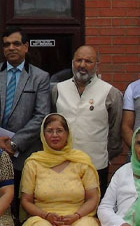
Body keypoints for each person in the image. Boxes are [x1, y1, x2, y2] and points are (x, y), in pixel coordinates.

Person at [0, 26, 51, 186]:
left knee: (22, 197)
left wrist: (14, 143)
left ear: (26, 47)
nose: (11, 48)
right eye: (7, 44)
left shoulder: (40, 77)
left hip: (25, 154)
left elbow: (41, 115)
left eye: (16, 44)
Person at [52, 45, 123, 195]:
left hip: (95, 165)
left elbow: (115, 132)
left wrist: (106, 155)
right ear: (73, 62)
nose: (82, 65)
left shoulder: (110, 93)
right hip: (62, 164)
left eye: (88, 61)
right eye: (79, 60)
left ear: (97, 64)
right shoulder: (58, 89)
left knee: (94, 206)